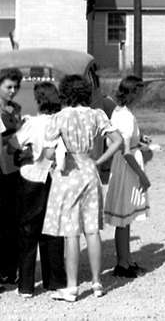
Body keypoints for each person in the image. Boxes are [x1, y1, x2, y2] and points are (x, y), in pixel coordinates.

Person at [42, 75, 123, 302]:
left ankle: (72, 286)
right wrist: (99, 160)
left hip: (69, 174)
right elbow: (117, 141)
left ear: (65, 93)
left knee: (71, 232)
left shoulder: (59, 118)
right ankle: (97, 283)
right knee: (92, 230)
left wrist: (56, 150)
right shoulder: (96, 114)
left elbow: (48, 153)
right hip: (90, 169)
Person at [14, 82, 66, 297]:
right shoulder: (61, 122)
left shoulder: (31, 123)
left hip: (32, 176)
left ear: (38, 100)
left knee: (28, 230)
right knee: (53, 229)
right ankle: (54, 280)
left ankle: (26, 285)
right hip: (55, 177)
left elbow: (13, 145)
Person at [104, 75, 151, 278]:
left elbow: (128, 140)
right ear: (131, 93)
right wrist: (141, 174)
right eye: (139, 92)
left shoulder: (123, 112)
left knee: (127, 217)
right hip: (127, 167)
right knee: (123, 217)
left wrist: (139, 139)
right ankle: (122, 262)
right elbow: (123, 150)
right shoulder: (122, 115)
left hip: (128, 163)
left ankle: (127, 259)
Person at [0, 68, 22, 287]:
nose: (13, 91)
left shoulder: (16, 109)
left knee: (12, 222)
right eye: (8, 87)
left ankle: (9, 270)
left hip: (14, 170)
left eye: (16, 87)